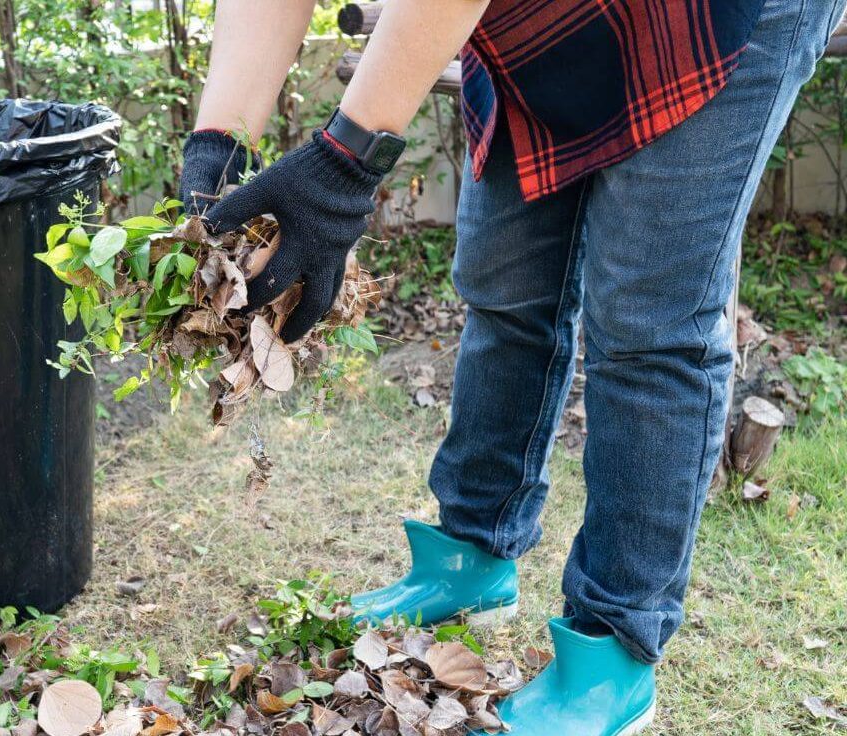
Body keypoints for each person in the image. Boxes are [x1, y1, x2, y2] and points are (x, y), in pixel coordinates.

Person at [179, 1, 847, 733]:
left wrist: (344, 164)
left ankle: (612, 653)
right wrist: (218, 144)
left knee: (648, 324)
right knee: (505, 284)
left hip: (708, 19)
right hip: (543, 24)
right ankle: (473, 555)